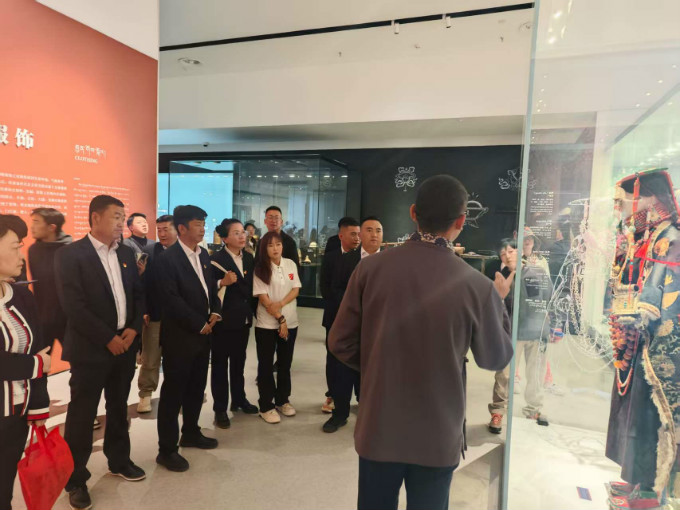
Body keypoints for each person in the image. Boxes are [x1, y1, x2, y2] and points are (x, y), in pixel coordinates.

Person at [329, 175, 514, 510]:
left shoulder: (370, 270)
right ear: (461, 221)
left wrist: (377, 364)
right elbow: (495, 357)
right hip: (437, 431)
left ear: (413, 212)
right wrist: (498, 303)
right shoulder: (477, 285)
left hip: (379, 424)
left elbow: (340, 341)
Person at [55, 195, 145, 510]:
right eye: (116, 216)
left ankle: (119, 460)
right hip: (90, 349)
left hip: (124, 345)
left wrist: (133, 328)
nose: (122, 222)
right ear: (95, 218)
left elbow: (137, 294)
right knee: (82, 414)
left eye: (123, 216)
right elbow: (73, 306)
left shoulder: (125, 252)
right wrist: (108, 338)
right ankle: (75, 478)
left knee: (118, 406)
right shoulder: (71, 255)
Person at [155, 205, 222, 473]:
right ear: (182, 228)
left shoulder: (203, 254)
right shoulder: (167, 260)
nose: (203, 228)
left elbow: (210, 288)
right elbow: (170, 299)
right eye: (198, 224)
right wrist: (199, 323)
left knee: (196, 387)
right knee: (173, 393)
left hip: (203, 335)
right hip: (180, 337)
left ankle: (191, 432)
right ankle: (166, 450)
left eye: (204, 223)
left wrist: (215, 311)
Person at [0, 215, 51, 510]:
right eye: (15, 247)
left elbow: (41, 347)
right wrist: (35, 365)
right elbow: (41, 360)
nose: (22, 256)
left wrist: (39, 405)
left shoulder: (21, 295)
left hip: (17, 415)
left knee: (4, 489)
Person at [323, 216, 384, 433]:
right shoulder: (346, 259)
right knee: (342, 372)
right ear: (360, 235)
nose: (374, 234)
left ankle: (370, 416)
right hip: (349, 327)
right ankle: (339, 414)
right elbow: (335, 290)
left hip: (377, 330)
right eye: (369, 230)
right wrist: (357, 308)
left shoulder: (390, 262)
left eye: (378, 230)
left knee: (373, 375)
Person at [210, 219, 258, 429]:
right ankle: (220, 408)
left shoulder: (248, 257)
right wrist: (222, 282)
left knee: (239, 362)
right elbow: (206, 287)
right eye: (236, 233)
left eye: (243, 232)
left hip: (243, 319)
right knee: (220, 365)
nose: (242, 236)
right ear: (225, 238)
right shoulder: (215, 260)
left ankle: (239, 399)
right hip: (223, 321)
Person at [253, 231, 301, 424]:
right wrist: (280, 319)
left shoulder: (290, 264)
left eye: (278, 244)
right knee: (265, 365)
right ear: (264, 248)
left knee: (284, 364)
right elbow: (263, 298)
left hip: (291, 321)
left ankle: (283, 400)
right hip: (267, 324)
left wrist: (280, 306)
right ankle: (266, 406)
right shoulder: (260, 268)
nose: (275, 248)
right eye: (270, 245)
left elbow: (295, 289)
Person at [137, 215, 178, 413]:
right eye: (159, 229)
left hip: (179, 317)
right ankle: (145, 393)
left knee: (176, 358)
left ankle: (176, 393)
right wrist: (144, 309)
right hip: (155, 314)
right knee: (150, 357)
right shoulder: (150, 251)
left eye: (166, 229)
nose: (162, 234)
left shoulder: (185, 252)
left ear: (177, 230)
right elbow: (142, 284)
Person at [320, 217, 361, 415]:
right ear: (341, 235)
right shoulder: (330, 258)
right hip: (335, 317)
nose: (357, 238)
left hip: (359, 320)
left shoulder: (363, 259)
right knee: (333, 358)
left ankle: (360, 397)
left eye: (359, 234)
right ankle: (332, 394)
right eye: (353, 234)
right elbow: (325, 290)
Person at [27, 207, 72, 351]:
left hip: (68, 320)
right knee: (41, 360)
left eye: (36, 222)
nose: (32, 226)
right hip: (43, 319)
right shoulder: (34, 250)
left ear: (52, 227)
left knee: (78, 360)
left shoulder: (70, 250)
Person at [488, 238, 517, 434]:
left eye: (511, 251)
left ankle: (532, 411)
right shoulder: (496, 271)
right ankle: (497, 412)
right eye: (503, 253)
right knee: (503, 374)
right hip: (505, 329)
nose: (507, 255)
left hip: (526, 328)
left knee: (533, 371)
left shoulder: (530, 270)